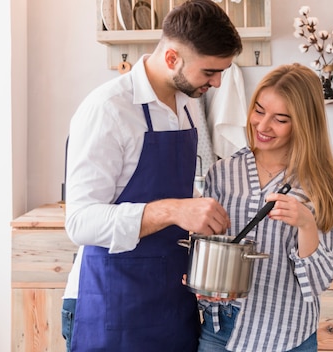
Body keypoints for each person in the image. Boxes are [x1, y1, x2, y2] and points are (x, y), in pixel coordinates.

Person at [60, 1, 242, 351]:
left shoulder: (188, 100)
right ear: (172, 58)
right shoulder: (108, 109)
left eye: (222, 72)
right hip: (112, 303)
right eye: (209, 72)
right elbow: (80, 222)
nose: (217, 82)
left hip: (172, 301)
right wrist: (174, 210)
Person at [197, 63, 333, 352]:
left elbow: (317, 283)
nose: (263, 126)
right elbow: (207, 245)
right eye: (259, 110)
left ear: (304, 124)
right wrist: (202, 283)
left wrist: (306, 224)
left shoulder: (317, 185)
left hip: (287, 334)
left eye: (280, 119)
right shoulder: (223, 172)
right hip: (222, 331)